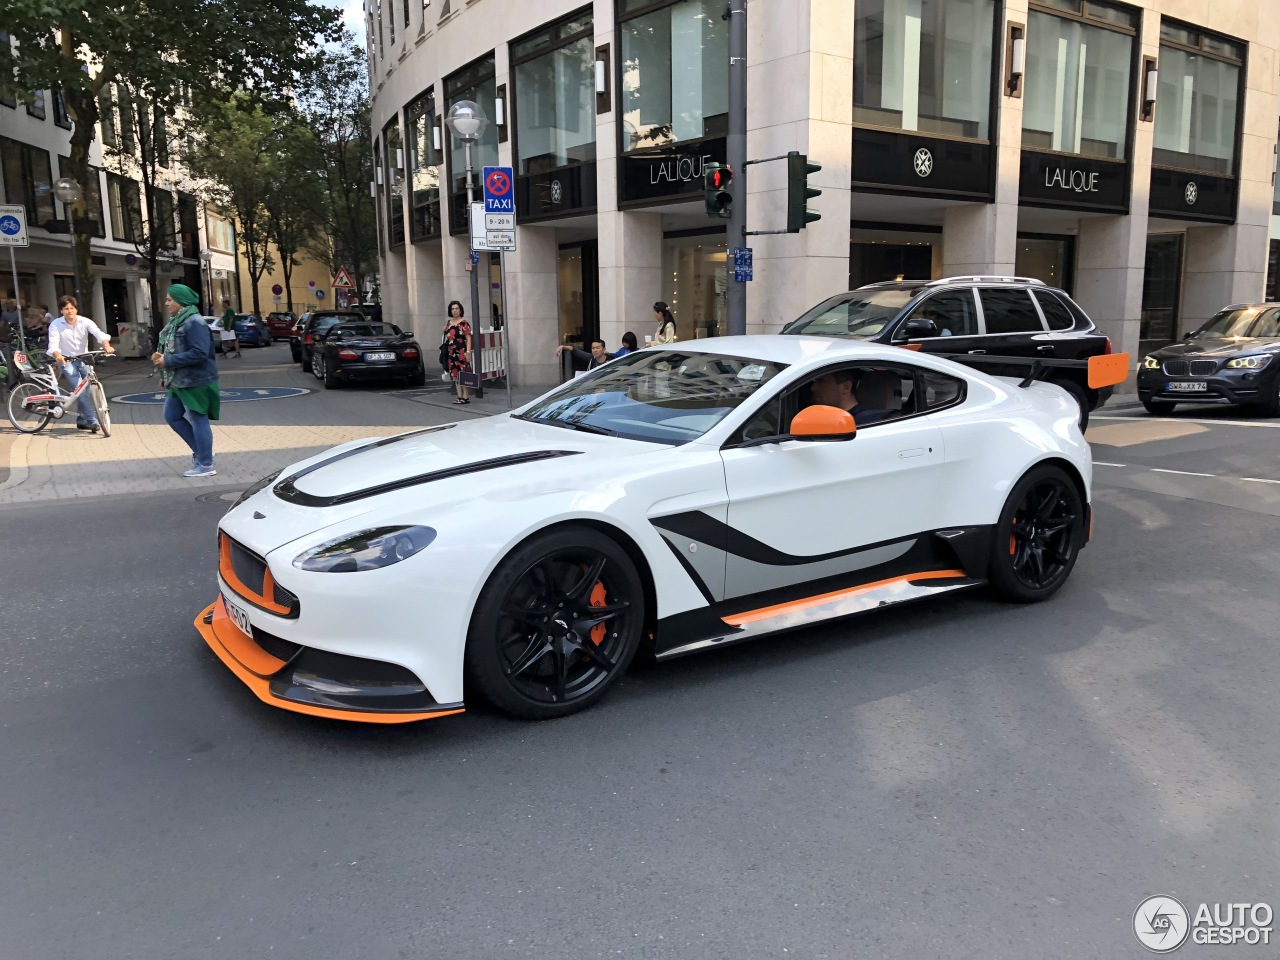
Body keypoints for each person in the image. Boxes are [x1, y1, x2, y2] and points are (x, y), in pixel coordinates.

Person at [152, 283, 220, 477]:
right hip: (178, 379)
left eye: (169, 299)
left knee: (199, 420)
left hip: (195, 380)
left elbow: (200, 352)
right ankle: (202, 451)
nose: (166, 303)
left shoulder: (194, 322)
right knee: (171, 416)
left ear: (181, 301)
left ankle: (206, 464)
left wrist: (169, 360)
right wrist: (166, 373)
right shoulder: (178, 321)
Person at [46, 295, 115, 433]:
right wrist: (58, 355)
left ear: (76, 309)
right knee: (81, 390)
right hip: (67, 361)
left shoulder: (85, 321)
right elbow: (53, 343)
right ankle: (92, 421)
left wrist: (106, 345)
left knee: (86, 391)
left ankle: (81, 420)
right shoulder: (56, 325)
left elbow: (98, 333)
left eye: (72, 308)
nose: (69, 311)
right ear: (61, 311)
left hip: (84, 359)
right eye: (66, 309)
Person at [806, 368, 895, 427]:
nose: (813, 387)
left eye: (821, 381)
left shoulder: (866, 423)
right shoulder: (825, 415)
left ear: (846, 387)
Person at [443, 300, 472, 404]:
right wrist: (444, 330)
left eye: (457, 309)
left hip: (461, 352)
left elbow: (468, 338)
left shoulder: (464, 323)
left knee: (463, 374)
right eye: (453, 309)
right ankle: (459, 396)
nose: (455, 311)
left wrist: (468, 352)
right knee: (455, 375)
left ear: (460, 310)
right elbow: (448, 337)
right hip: (451, 352)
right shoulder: (449, 323)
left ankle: (466, 396)